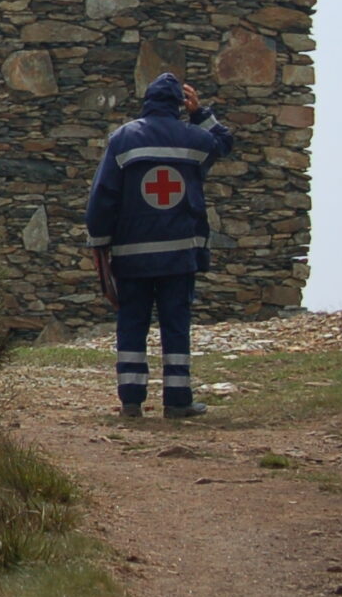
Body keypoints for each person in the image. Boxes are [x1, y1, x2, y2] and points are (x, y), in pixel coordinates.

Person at [84, 72, 236, 419]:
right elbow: (224, 143)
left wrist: (99, 241)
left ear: (147, 101)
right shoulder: (195, 140)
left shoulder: (123, 139)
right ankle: (178, 400)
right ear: (180, 103)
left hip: (131, 254)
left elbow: (103, 195)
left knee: (132, 323)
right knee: (175, 324)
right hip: (179, 254)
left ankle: (131, 401)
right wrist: (200, 113)